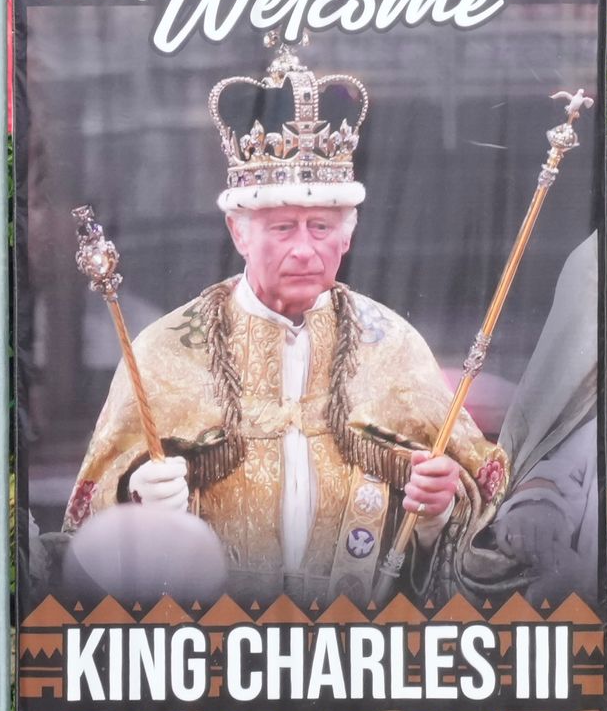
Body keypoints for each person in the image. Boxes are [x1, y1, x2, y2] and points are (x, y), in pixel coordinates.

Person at [67, 50, 505, 610]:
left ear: (348, 235)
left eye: (321, 226)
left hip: (359, 651)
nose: (304, 247)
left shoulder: (393, 347)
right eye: (281, 227)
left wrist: (438, 509)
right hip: (212, 655)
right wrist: (134, 501)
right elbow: (87, 514)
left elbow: (477, 501)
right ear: (239, 230)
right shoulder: (164, 352)